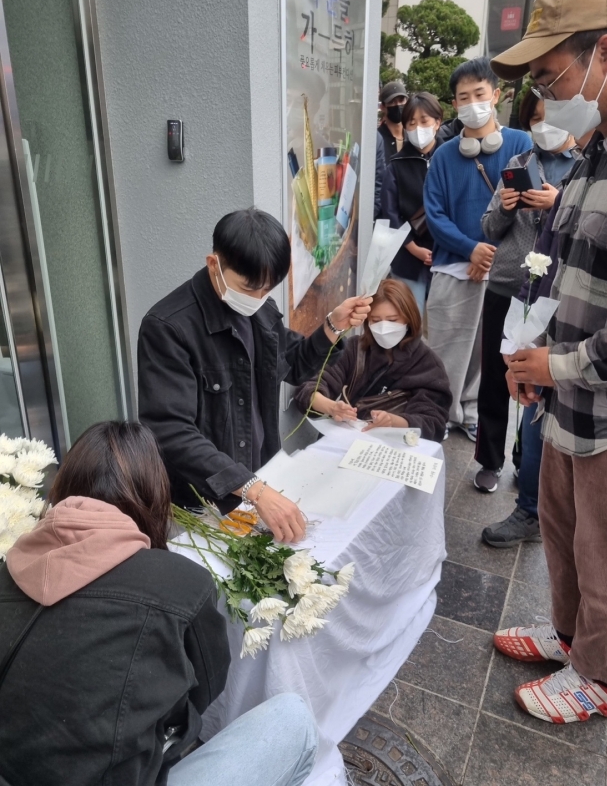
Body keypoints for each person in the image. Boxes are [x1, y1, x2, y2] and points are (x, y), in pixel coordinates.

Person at [0, 421, 318, 785]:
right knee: (294, 720)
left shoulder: (6, 571)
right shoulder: (181, 583)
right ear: (154, 492)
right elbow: (202, 694)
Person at [490, 0, 607, 724]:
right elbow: (563, 269)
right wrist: (533, 356)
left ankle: (604, 678)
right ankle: (570, 636)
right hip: (566, 395)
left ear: (605, 53)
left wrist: (564, 366)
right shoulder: (593, 154)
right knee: (561, 525)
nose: (546, 100)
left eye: (551, 80)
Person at [138, 209, 371, 545]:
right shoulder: (169, 327)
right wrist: (252, 488)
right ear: (213, 264)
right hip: (198, 501)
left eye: (267, 289)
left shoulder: (260, 310)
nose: (259, 298)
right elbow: (169, 431)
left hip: (259, 482)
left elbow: (293, 364)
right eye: (249, 288)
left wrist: (332, 326)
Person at [473, 88, 578, 493]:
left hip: (553, 290)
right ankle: (489, 460)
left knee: (539, 380)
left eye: (552, 117)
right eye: (536, 119)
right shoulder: (518, 164)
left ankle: (527, 463)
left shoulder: (582, 167)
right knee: (497, 375)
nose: (544, 126)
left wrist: (559, 204)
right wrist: (506, 206)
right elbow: (488, 228)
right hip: (506, 284)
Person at [424, 57, 531, 442]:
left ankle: (470, 412)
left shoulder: (521, 144)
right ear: (454, 104)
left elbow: (527, 208)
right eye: (463, 97)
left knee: (484, 355)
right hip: (454, 267)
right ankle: (437, 410)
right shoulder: (442, 155)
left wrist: (491, 256)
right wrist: (471, 250)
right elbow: (434, 215)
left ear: (496, 95)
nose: (471, 103)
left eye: (479, 94)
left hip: (503, 273)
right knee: (443, 346)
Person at [294, 279, 451, 442]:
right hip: (348, 439)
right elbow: (310, 386)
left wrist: (394, 421)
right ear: (367, 321)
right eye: (376, 320)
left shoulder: (428, 364)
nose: (384, 327)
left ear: (409, 319)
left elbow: (434, 422)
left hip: (397, 448)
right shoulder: (355, 348)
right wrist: (333, 407)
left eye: (392, 320)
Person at [380, 92, 444, 317]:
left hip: (448, 257)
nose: (418, 128)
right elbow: (390, 214)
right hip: (408, 259)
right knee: (409, 320)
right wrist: (412, 247)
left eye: (424, 121)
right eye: (412, 123)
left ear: (438, 122)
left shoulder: (451, 159)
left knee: (443, 326)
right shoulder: (396, 166)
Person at [378, 81, 409, 165]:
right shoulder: (378, 139)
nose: (397, 105)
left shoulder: (413, 137)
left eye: (401, 100)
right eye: (392, 102)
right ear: (382, 107)